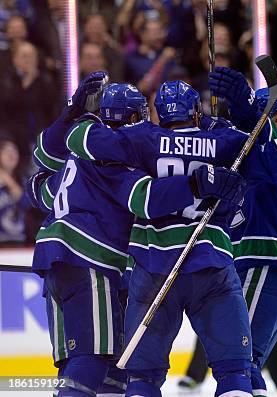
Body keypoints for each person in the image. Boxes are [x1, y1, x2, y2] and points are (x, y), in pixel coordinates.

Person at [65, 73, 277, 396]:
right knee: (236, 373)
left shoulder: (142, 138)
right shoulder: (223, 143)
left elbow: (80, 141)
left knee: (142, 378)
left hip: (152, 268)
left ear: (158, 113)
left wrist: (81, 112)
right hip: (211, 266)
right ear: (197, 113)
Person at [27, 75, 241, 397]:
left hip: (52, 260)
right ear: (130, 118)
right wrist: (196, 183)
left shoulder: (78, 156)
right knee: (92, 359)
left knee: (107, 364)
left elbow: (38, 183)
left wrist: (71, 111)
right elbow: (147, 200)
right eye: (140, 116)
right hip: (90, 260)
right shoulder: (115, 160)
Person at [179, 89, 277, 396]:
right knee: (247, 362)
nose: (246, 123)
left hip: (267, 264)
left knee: (240, 363)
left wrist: (216, 131)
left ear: (276, 119)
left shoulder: (275, 148)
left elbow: (256, 146)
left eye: (254, 116)